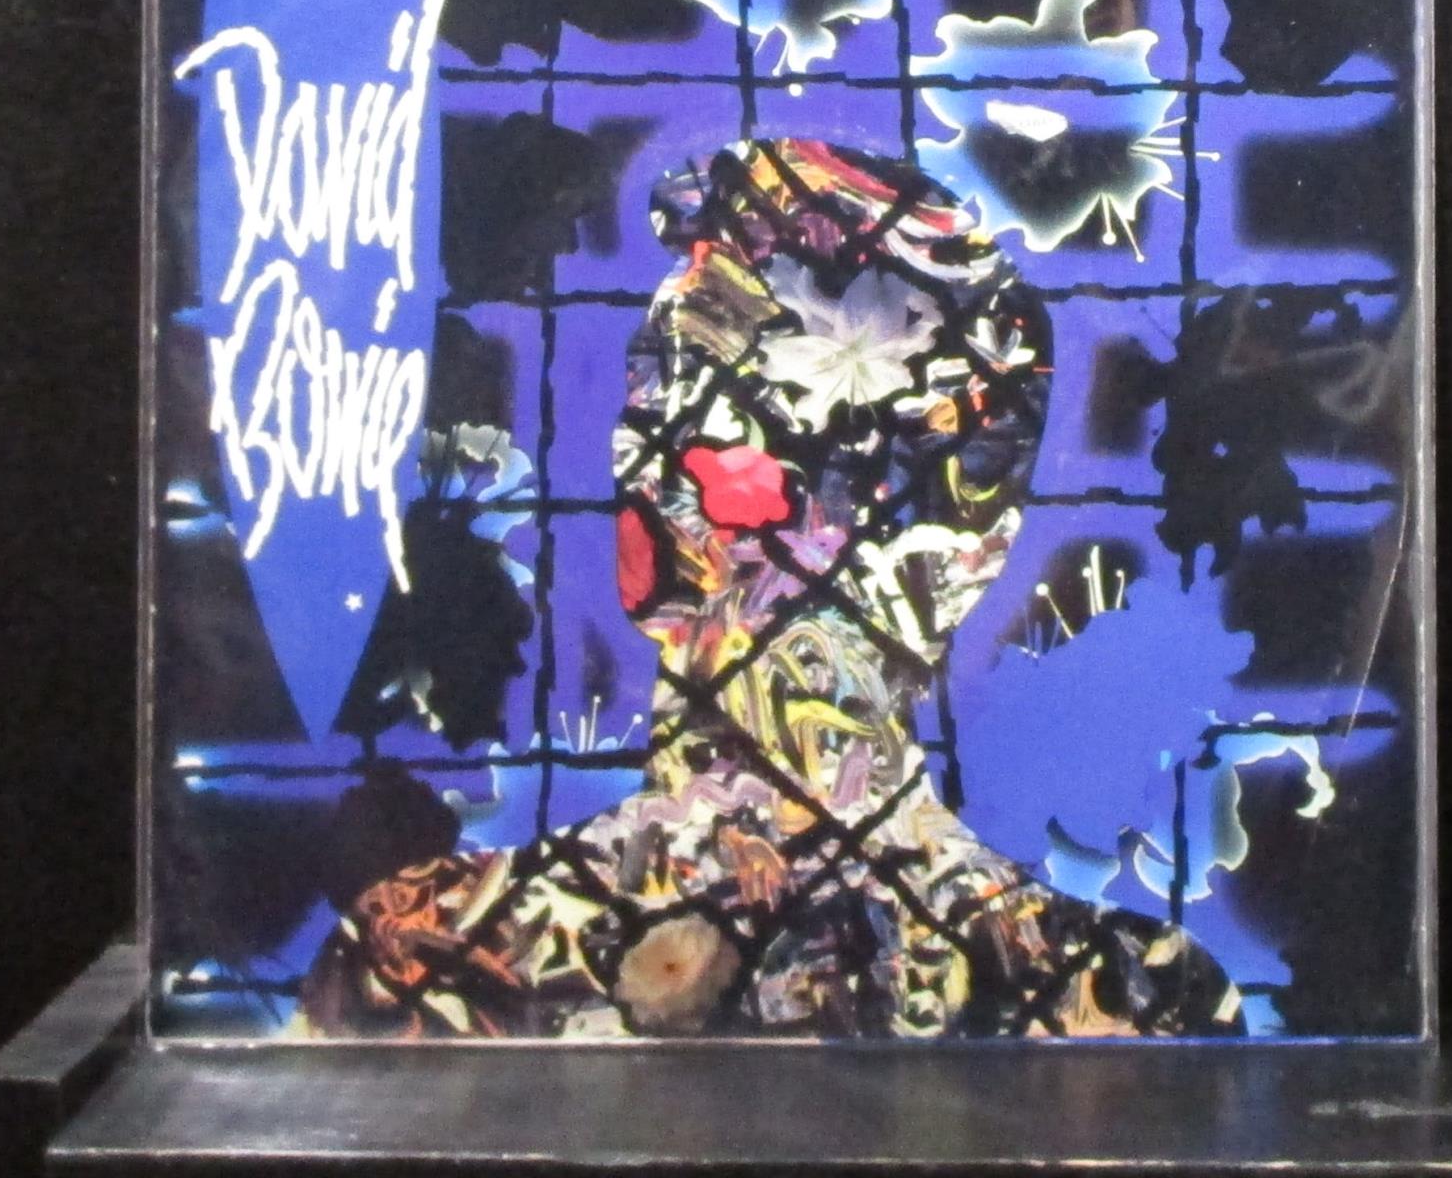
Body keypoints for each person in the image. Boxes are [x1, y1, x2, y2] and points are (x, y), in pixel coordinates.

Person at [296, 137, 1242, 1039]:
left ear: (965, 536)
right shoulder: (1119, 990)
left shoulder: (424, 964)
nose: (646, 469)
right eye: (652, 404)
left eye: (699, 425)